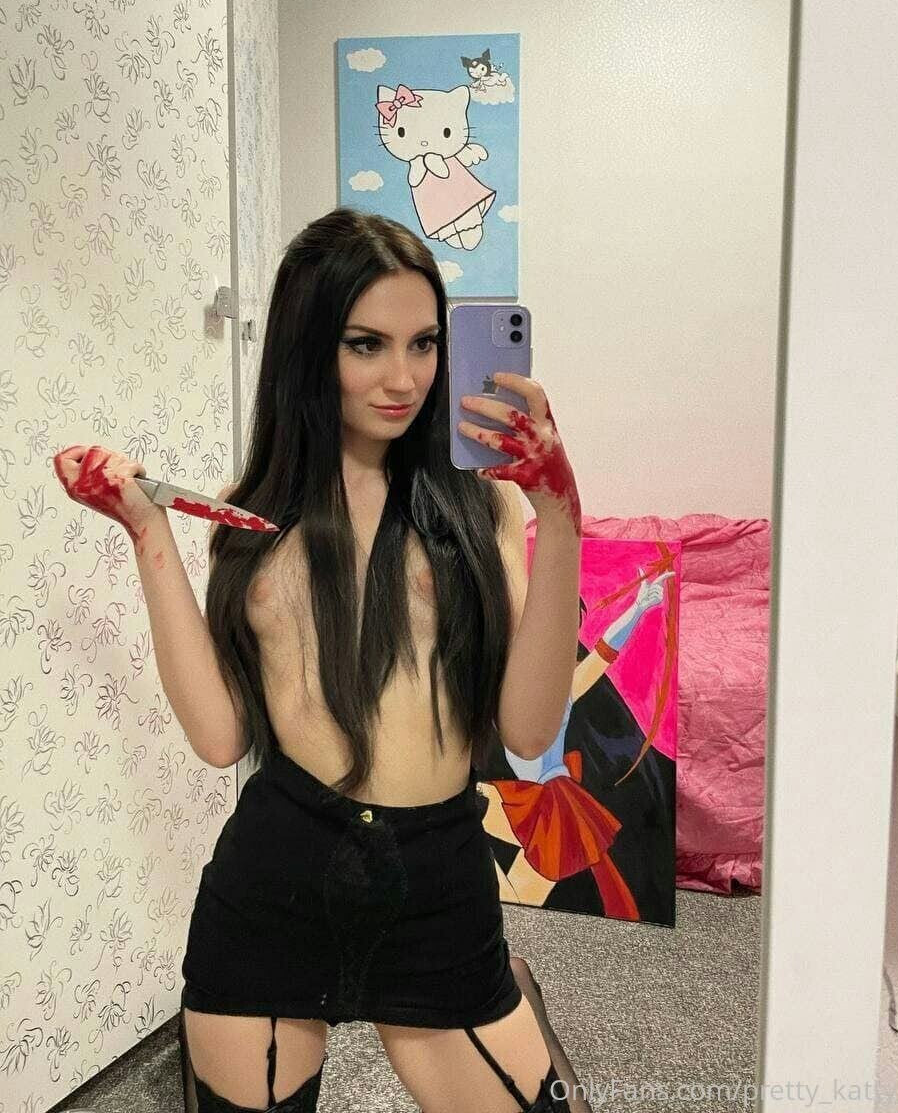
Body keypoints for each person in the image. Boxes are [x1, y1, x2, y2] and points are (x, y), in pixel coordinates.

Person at [52, 207, 591, 1113]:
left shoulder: (479, 506)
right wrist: (147, 531)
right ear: (309, 348)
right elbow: (221, 738)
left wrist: (561, 516)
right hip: (278, 880)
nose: (403, 377)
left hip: (438, 881)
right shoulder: (248, 514)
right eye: (365, 344)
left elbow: (530, 731)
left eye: (423, 343)